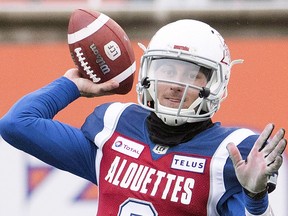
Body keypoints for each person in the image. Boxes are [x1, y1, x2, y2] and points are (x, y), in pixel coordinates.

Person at [0, 19, 286, 216]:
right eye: (168, 71)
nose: (176, 84)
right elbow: (17, 124)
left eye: (191, 74)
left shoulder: (229, 154)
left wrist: (255, 198)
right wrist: (72, 85)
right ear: (150, 73)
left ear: (215, 84)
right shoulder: (114, 127)